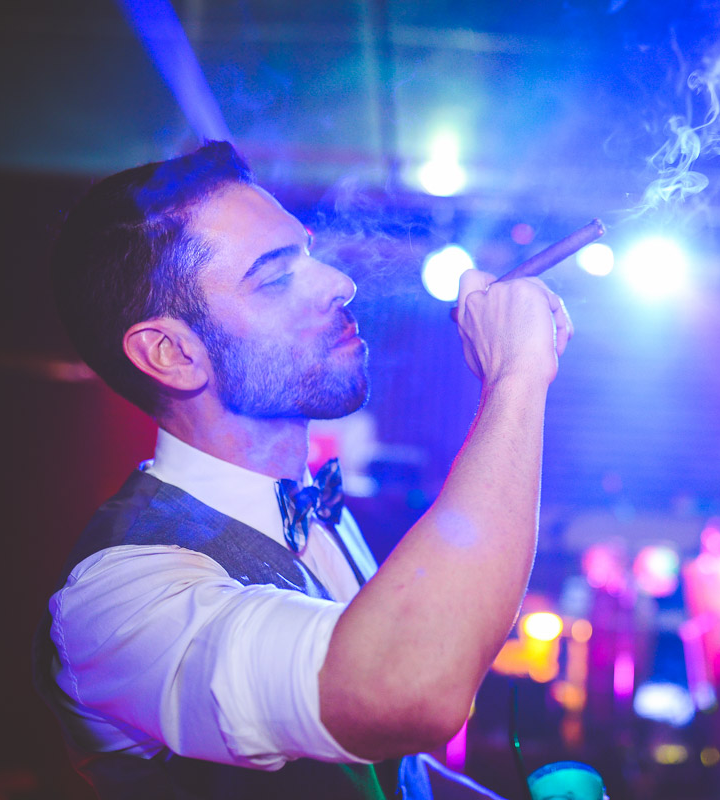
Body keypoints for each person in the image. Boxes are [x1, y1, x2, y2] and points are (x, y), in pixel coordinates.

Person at [34, 141, 573, 799]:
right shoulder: (119, 599)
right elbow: (409, 686)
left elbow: (380, 772)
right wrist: (516, 378)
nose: (339, 284)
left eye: (309, 256)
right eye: (275, 277)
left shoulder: (318, 508)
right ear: (172, 353)